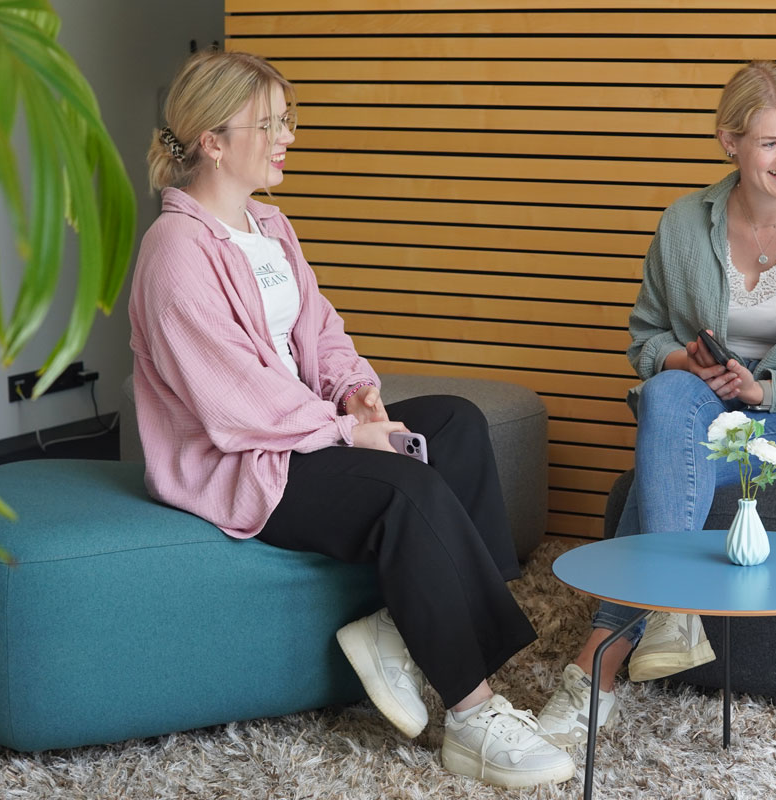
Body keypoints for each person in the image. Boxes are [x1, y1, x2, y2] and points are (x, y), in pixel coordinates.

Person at [128, 50, 574, 789]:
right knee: (407, 490)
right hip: (246, 460)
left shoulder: (269, 226)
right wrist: (349, 433)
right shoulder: (174, 251)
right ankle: (470, 714)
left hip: (304, 431)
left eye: (286, 121)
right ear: (211, 139)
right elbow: (233, 399)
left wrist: (353, 392)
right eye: (269, 124)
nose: (287, 137)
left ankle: (398, 628)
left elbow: (319, 330)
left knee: (457, 426)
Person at [535, 61, 776, 748]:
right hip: (701, 410)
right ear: (728, 143)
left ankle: (600, 661)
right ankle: (673, 622)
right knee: (667, 391)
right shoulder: (683, 224)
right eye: (770, 142)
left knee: (652, 488)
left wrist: (766, 390)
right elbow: (647, 335)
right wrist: (682, 359)